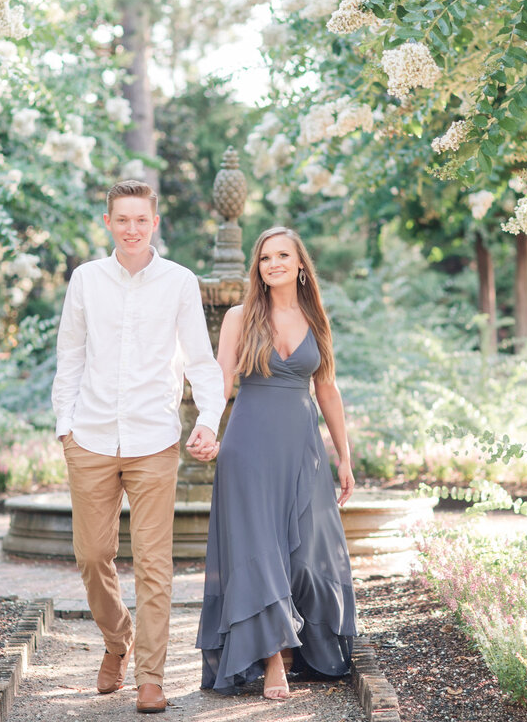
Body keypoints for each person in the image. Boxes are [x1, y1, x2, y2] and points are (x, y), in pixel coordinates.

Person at [52, 179, 225, 714]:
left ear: (155, 223)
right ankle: (116, 640)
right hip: (92, 437)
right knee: (92, 555)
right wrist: (66, 427)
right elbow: (71, 357)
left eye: (141, 220)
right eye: (122, 220)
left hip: (153, 439)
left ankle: (151, 676)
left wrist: (209, 419)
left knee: (154, 563)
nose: (131, 229)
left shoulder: (178, 282)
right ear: (109, 223)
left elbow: (200, 360)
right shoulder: (86, 280)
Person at [195, 226, 357, 700]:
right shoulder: (239, 317)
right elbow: (221, 382)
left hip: (302, 447)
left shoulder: (316, 318)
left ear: (301, 263)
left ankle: (300, 647)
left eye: (283, 255)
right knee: (259, 551)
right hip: (247, 447)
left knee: (305, 553)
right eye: (265, 258)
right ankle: (271, 662)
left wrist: (343, 456)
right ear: (258, 268)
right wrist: (207, 427)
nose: (274, 264)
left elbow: (327, 388)